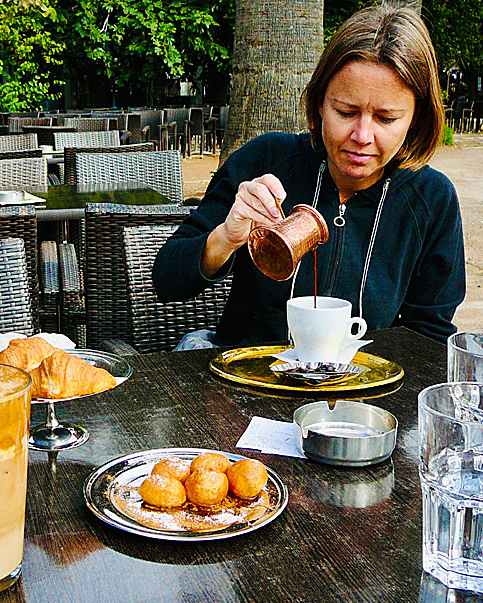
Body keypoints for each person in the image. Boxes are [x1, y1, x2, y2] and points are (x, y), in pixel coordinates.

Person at [153, 4, 465, 348]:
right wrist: (225, 237)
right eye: (345, 112)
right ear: (319, 103)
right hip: (242, 380)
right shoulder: (267, 160)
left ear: (416, 118)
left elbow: (429, 335)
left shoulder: (431, 200)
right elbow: (167, 280)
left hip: (355, 391)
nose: (362, 136)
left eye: (386, 119)